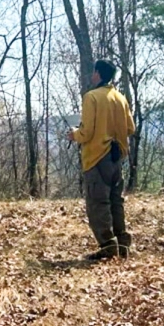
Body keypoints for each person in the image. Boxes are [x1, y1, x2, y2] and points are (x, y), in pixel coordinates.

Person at [67, 59, 136, 260]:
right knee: (116, 200)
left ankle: (107, 245)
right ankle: (122, 242)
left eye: (94, 72)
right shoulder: (120, 98)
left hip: (97, 157)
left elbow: (86, 132)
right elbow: (130, 128)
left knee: (98, 202)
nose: (92, 75)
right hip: (117, 156)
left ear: (98, 73)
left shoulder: (91, 97)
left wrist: (74, 134)